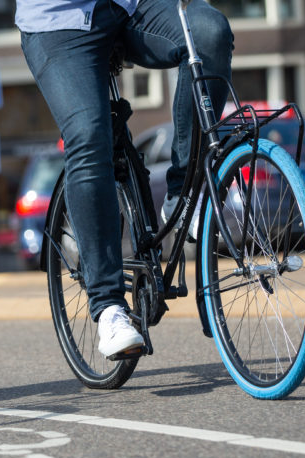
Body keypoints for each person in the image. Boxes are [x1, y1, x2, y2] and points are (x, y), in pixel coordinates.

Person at [17, 0, 233, 358]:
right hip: (56, 21)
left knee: (210, 34)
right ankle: (108, 309)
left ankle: (183, 192)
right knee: (89, 138)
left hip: (130, 7)